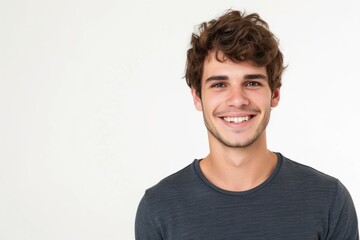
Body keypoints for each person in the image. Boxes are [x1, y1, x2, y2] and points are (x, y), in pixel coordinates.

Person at [135, 9, 359, 239]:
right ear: (197, 97)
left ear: (275, 94)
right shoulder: (159, 208)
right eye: (219, 85)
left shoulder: (329, 200)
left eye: (252, 82)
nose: (237, 99)